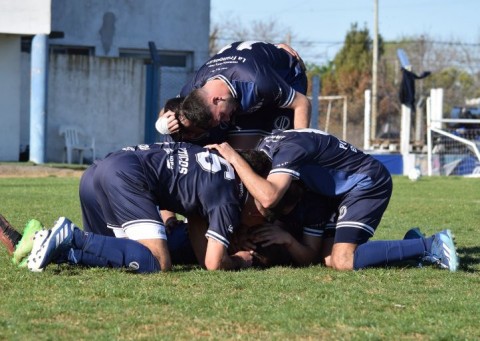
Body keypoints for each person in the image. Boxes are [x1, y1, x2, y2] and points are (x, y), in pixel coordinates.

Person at [206, 129, 460, 271]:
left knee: (343, 260)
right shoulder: (270, 150)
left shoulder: (288, 151)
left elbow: (269, 196)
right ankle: (411, 247)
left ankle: (433, 244)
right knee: (328, 260)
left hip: (366, 183)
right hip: (335, 194)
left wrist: (231, 154)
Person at [26, 142, 271, 273]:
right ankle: (72, 236)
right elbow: (214, 264)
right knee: (157, 261)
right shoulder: (230, 195)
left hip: (99, 170)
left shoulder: (215, 163)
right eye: (263, 216)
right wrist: (241, 260)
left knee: (114, 256)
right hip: (126, 176)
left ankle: (51, 246)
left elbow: (202, 246)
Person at [157, 41, 310, 148]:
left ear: (217, 99)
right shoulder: (196, 86)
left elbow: (302, 103)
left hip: (286, 78)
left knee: (258, 155)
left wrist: (299, 147)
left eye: (222, 115)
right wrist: (162, 123)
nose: (227, 119)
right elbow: (169, 110)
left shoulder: (257, 82)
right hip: (243, 75)